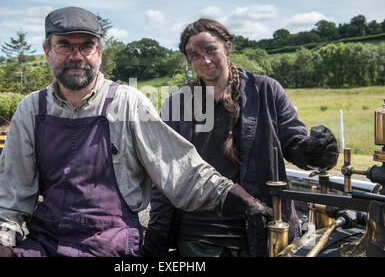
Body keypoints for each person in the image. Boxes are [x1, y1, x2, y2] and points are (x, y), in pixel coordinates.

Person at [0, 7, 273, 257]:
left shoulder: (128, 103)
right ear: (47, 51)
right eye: (65, 45)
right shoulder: (32, 109)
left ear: (99, 52)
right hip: (47, 242)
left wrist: (235, 197)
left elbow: (178, 168)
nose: (76, 56)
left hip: (113, 245)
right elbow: (11, 192)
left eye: (87, 46)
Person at [142, 18, 339, 257]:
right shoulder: (178, 105)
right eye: (194, 55)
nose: (204, 61)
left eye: (210, 50)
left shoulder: (266, 90)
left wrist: (314, 151)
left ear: (227, 47)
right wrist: (158, 235)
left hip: (264, 230)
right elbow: (167, 175)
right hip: (198, 239)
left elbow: (293, 144)